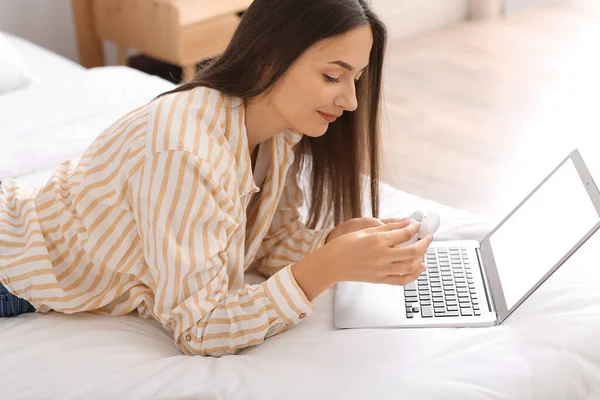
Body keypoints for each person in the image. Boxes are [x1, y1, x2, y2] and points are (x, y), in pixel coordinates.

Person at [0, 0, 433, 356]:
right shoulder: (184, 152)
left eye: (355, 79)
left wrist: (334, 244)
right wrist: (327, 267)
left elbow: (264, 242)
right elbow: (200, 329)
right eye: (333, 76)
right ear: (268, 60)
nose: (352, 101)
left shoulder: (277, 134)